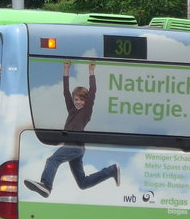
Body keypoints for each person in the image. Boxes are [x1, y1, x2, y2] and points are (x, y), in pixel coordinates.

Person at [24, 60, 119, 198]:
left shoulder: (86, 112)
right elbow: (65, 92)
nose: (78, 102)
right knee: (83, 183)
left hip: (75, 146)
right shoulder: (71, 110)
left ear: (86, 102)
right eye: (76, 100)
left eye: (81, 100)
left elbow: (92, 93)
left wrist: (91, 73)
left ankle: (46, 185)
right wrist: (66, 70)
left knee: (52, 160)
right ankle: (112, 170)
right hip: (75, 148)